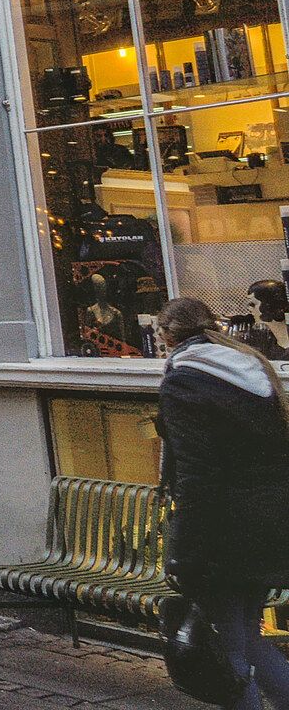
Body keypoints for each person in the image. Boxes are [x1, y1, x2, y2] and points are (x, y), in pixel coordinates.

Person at [155, 297, 289, 709]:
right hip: (267, 527)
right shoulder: (253, 372)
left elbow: (197, 477)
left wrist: (184, 553)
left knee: (230, 656)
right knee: (246, 637)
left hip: (221, 535)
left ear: (167, 336)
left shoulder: (184, 382)